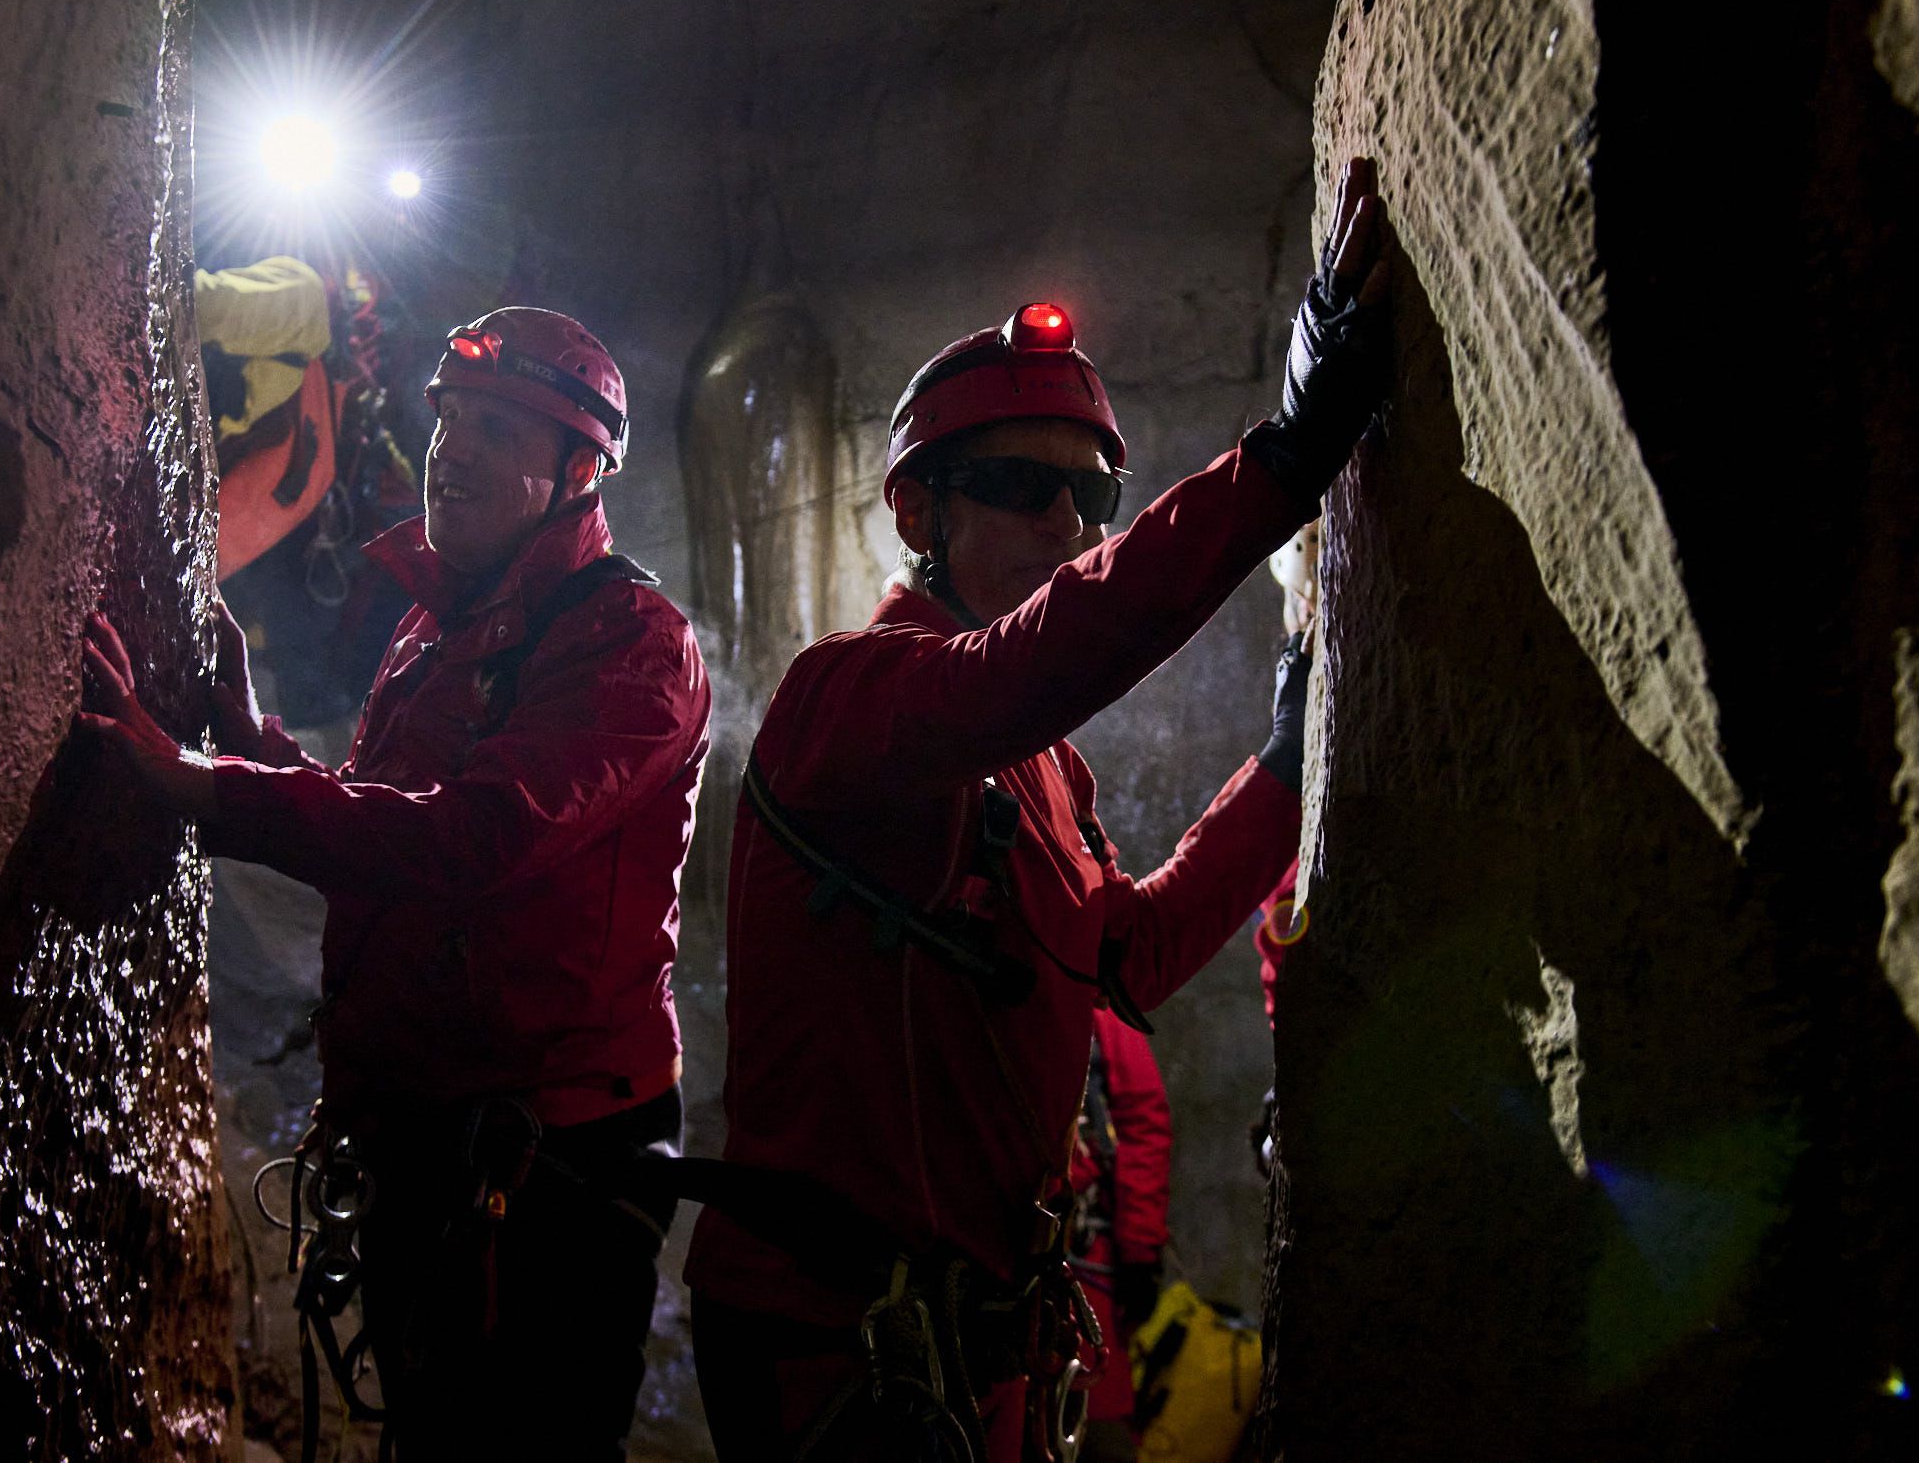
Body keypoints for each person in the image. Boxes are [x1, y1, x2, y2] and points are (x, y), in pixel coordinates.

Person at [684, 159, 1397, 1461]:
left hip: (976, 1348)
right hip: (839, 1350)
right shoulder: (846, 696)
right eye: (1021, 483)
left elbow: (1128, 953)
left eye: (1093, 495)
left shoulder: (1041, 767)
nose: (1067, 520)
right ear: (918, 507)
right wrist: (1281, 460)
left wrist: (1286, 772)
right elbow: (1028, 664)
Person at [80, 307, 711, 1461]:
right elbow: (379, 829)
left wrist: (210, 786)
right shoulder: (434, 627)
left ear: (579, 468)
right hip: (428, 1130)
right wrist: (245, 734)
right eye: (448, 421)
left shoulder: (632, 641)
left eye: (495, 427)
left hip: (552, 1159)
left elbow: (469, 841)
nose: (450, 449)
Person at [1066, 1008, 1173, 1463]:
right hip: (994, 1260)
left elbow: (1142, 1119)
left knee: (1098, 1435)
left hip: (1082, 1273)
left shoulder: (1096, 1009)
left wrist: (1138, 1252)